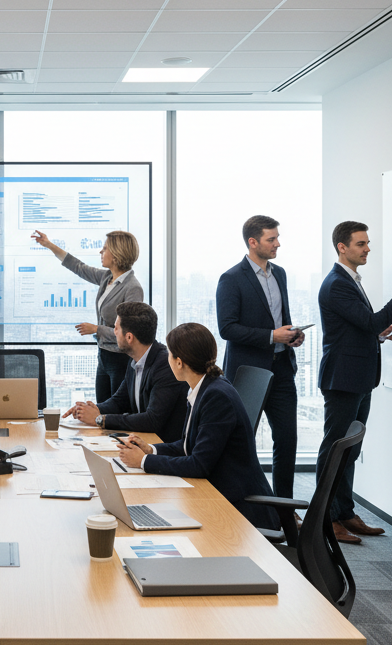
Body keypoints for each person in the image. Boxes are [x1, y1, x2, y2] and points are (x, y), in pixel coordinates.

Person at [116, 322, 278, 530]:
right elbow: (188, 445)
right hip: (219, 494)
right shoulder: (205, 388)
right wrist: (151, 449)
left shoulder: (216, 396)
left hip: (239, 510)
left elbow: (199, 464)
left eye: (169, 355)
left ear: (179, 362)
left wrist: (144, 461)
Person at [317, 221, 392, 544]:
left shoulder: (351, 281)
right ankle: (325, 520)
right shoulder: (337, 284)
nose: (368, 249)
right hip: (343, 380)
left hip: (358, 378)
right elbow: (370, 320)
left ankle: (344, 513)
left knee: (350, 449)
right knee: (335, 450)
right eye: (361, 244)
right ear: (342, 248)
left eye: (368, 243)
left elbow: (362, 328)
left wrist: (379, 334)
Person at [216, 214, 304, 502]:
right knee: (242, 442)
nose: (278, 244)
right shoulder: (231, 279)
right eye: (271, 239)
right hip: (249, 375)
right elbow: (227, 328)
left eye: (277, 237)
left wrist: (292, 335)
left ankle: (284, 509)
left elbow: (282, 320)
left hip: (282, 369)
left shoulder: (280, 273)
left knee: (287, 441)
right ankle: (242, 506)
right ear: (253, 242)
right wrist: (271, 336)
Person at [31, 229, 144, 401]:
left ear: (116, 254)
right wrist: (49, 245)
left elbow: (131, 333)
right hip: (104, 355)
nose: (101, 252)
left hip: (120, 360)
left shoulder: (132, 288)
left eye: (105, 249)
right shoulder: (107, 278)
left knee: (116, 412)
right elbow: (78, 266)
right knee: (102, 408)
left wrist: (96, 329)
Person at [63, 301, 188, 442]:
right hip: (143, 442)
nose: (114, 332)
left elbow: (152, 420)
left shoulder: (165, 365)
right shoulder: (134, 360)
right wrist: (89, 410)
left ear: (129, 337)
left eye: (116, 328)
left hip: (164, 448)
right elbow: (119, 402)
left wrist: (100, 419)